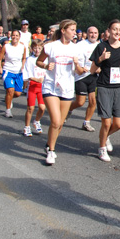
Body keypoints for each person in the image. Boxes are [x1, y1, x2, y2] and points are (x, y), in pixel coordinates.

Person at [36, 19, 84, 165]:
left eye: (75, 30)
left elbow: (80, 72)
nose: (74, 33)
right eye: (72, 30)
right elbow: (38, 61)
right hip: (51, 86)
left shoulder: (76, 48)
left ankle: (49, 144)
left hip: (67, 88)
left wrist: (77, 64)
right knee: (55, 121)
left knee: (60, 123)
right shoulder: (51, 47)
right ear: (63, 30)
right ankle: (51, 151)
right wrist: (45, 66)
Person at [90, 20, 120, 162]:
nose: (117, 32)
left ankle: (105, 137)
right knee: (106, 123)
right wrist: (100, 59)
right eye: (114, 29)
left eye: (119, 30)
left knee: (118, 124)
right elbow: (92, 70)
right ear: (108, 31)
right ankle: (102, 148)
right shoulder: (101, 47)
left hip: (119, 88)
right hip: (104, 87)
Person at [68, 26, 100, 132]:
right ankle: (69, 109)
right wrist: (81, 68)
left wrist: (99, 68)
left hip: (93, 76)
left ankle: (86, 122)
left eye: (95, 33)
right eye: (91, 33)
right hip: (81, 76)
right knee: (80, 102)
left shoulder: (99, 45)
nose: (93, 35)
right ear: (87, 34)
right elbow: (74, 59)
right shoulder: (80, 45)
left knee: (93, 101)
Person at [0, 30, 27, 118]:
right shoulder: (6, 46)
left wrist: (23, 66)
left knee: (17, 93)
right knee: (10, 90)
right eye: (13, 35)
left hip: (18, 72)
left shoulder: (23, 47)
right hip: (8, 71)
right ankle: (8, 110)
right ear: (11, 37)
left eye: (17, 35)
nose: (15, 37)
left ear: (19, 37)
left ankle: (8, 99)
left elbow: (24, 58)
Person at [22, 39, 46, 136]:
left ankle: (36, 121)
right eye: (35, 48)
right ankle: (27, 127)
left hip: (42, 87)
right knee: (30, 108)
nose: (37, 50)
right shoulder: (29, 60)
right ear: (32, 49)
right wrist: (36, 79)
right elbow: (26, 75)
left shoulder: (45, 59)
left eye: (39, 48)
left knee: (42, 107)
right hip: (32, 86)